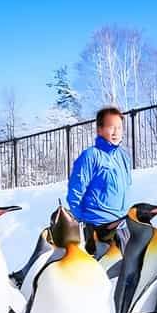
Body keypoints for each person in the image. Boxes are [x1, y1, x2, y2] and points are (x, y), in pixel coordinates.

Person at [66, 106, 133, 254]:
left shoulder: (123, 156)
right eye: (111, 127)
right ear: (99, 130)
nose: (116, 132)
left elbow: (126, 187)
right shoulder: (91, 156)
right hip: (99, 228)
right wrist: (84, 220)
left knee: (125, 272)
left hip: (122, 224)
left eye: (119, 128)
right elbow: (75, 191)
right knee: (102, 274)